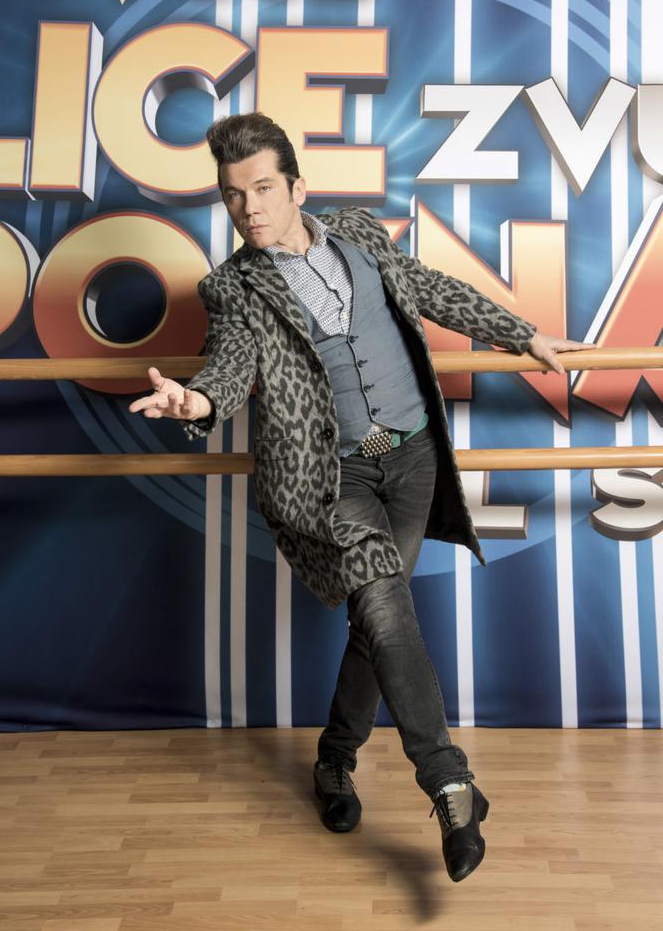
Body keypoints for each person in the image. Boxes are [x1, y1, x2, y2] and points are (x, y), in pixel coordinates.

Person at [129, 112, 589, 883]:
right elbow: (230, 366)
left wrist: (522, 335)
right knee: (384, 612)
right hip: (331, 480)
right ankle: (450, 783)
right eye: (234, 195)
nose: (249, 208)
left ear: (297, 187)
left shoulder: (360, 233)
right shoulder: (233, 287)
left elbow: (428, 288)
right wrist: (196, 402)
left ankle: (334, 760)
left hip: (411, 461)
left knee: (377, 624)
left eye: (263, 188)